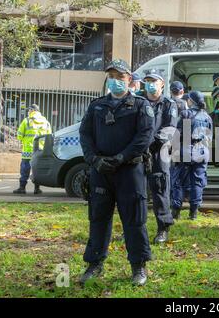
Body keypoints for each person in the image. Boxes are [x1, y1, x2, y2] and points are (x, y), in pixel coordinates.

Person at [78, 59, 155, 286]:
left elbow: (145, 137)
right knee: (98, 218)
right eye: (111, 77)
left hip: (129, 171)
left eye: (120, 77)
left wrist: (121, 158)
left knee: (134, 219)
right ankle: (94, 264)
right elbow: (85, 134)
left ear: (129, 80)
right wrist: (94, 160)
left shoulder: (141, 106)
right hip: (101, 171)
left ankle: (138, 266)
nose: (115, 81)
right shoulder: (97, 106)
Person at [143, 70, 179, 244]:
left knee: (160, 190)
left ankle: (163, 229)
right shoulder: (138, 102)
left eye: (154, 81)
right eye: (148, 81)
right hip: (139, 153)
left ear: (162, 84)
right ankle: (135, 228)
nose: (150, 84)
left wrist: (150, 144)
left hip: (159, 152)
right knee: (136, 192)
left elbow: (169, 129)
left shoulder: (168, 104)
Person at [171, 91, 213, 220]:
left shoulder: (185, 114)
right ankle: (193, 212)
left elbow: (176, 135)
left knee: (178, 181)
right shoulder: (207, 117)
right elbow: (209, 137)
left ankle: (176, 211)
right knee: (198, 182)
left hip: (186, 150)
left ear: (191, 101)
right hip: (201, 151)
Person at [13, 104, 51, 194]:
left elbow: (19, 135)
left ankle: (22, 188)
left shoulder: (26, 121)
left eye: (29, 110)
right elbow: (49, 136)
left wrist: (25, 140)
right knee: (37, 169)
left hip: (28, 150)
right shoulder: (45, 122)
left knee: (25, 169)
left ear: (31, 110)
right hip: (40, 150)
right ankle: (37, 189)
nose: (28, 111)